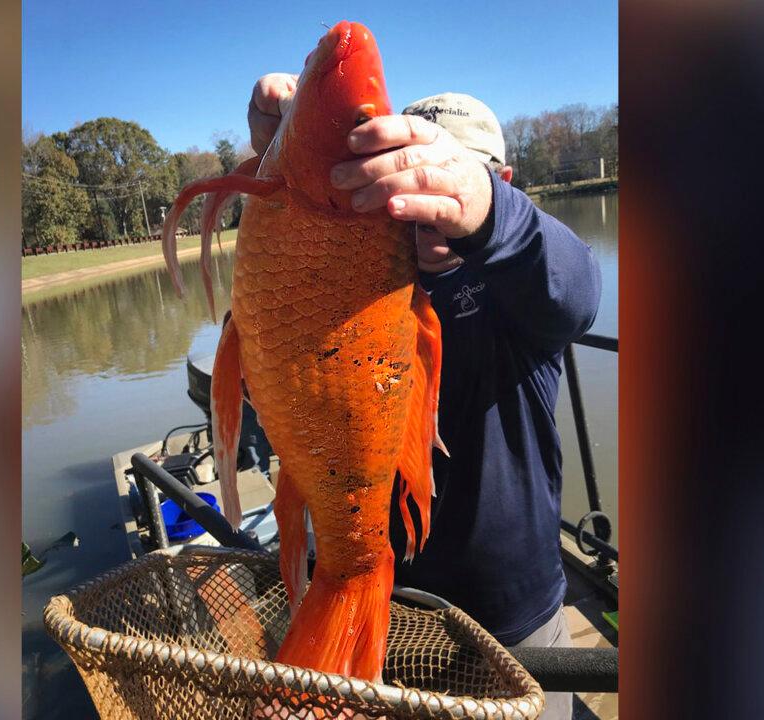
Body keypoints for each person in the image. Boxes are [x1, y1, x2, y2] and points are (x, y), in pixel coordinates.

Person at [249, 75, 602, 720]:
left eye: (452, 172)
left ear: (503, 181)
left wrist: (484, 212)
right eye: (410, 174)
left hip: (514, 619)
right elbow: (272, 358)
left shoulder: (524, 285)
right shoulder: (350, 277)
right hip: (388, 609)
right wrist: (287, 166)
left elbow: (577, 288)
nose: (429, 200)